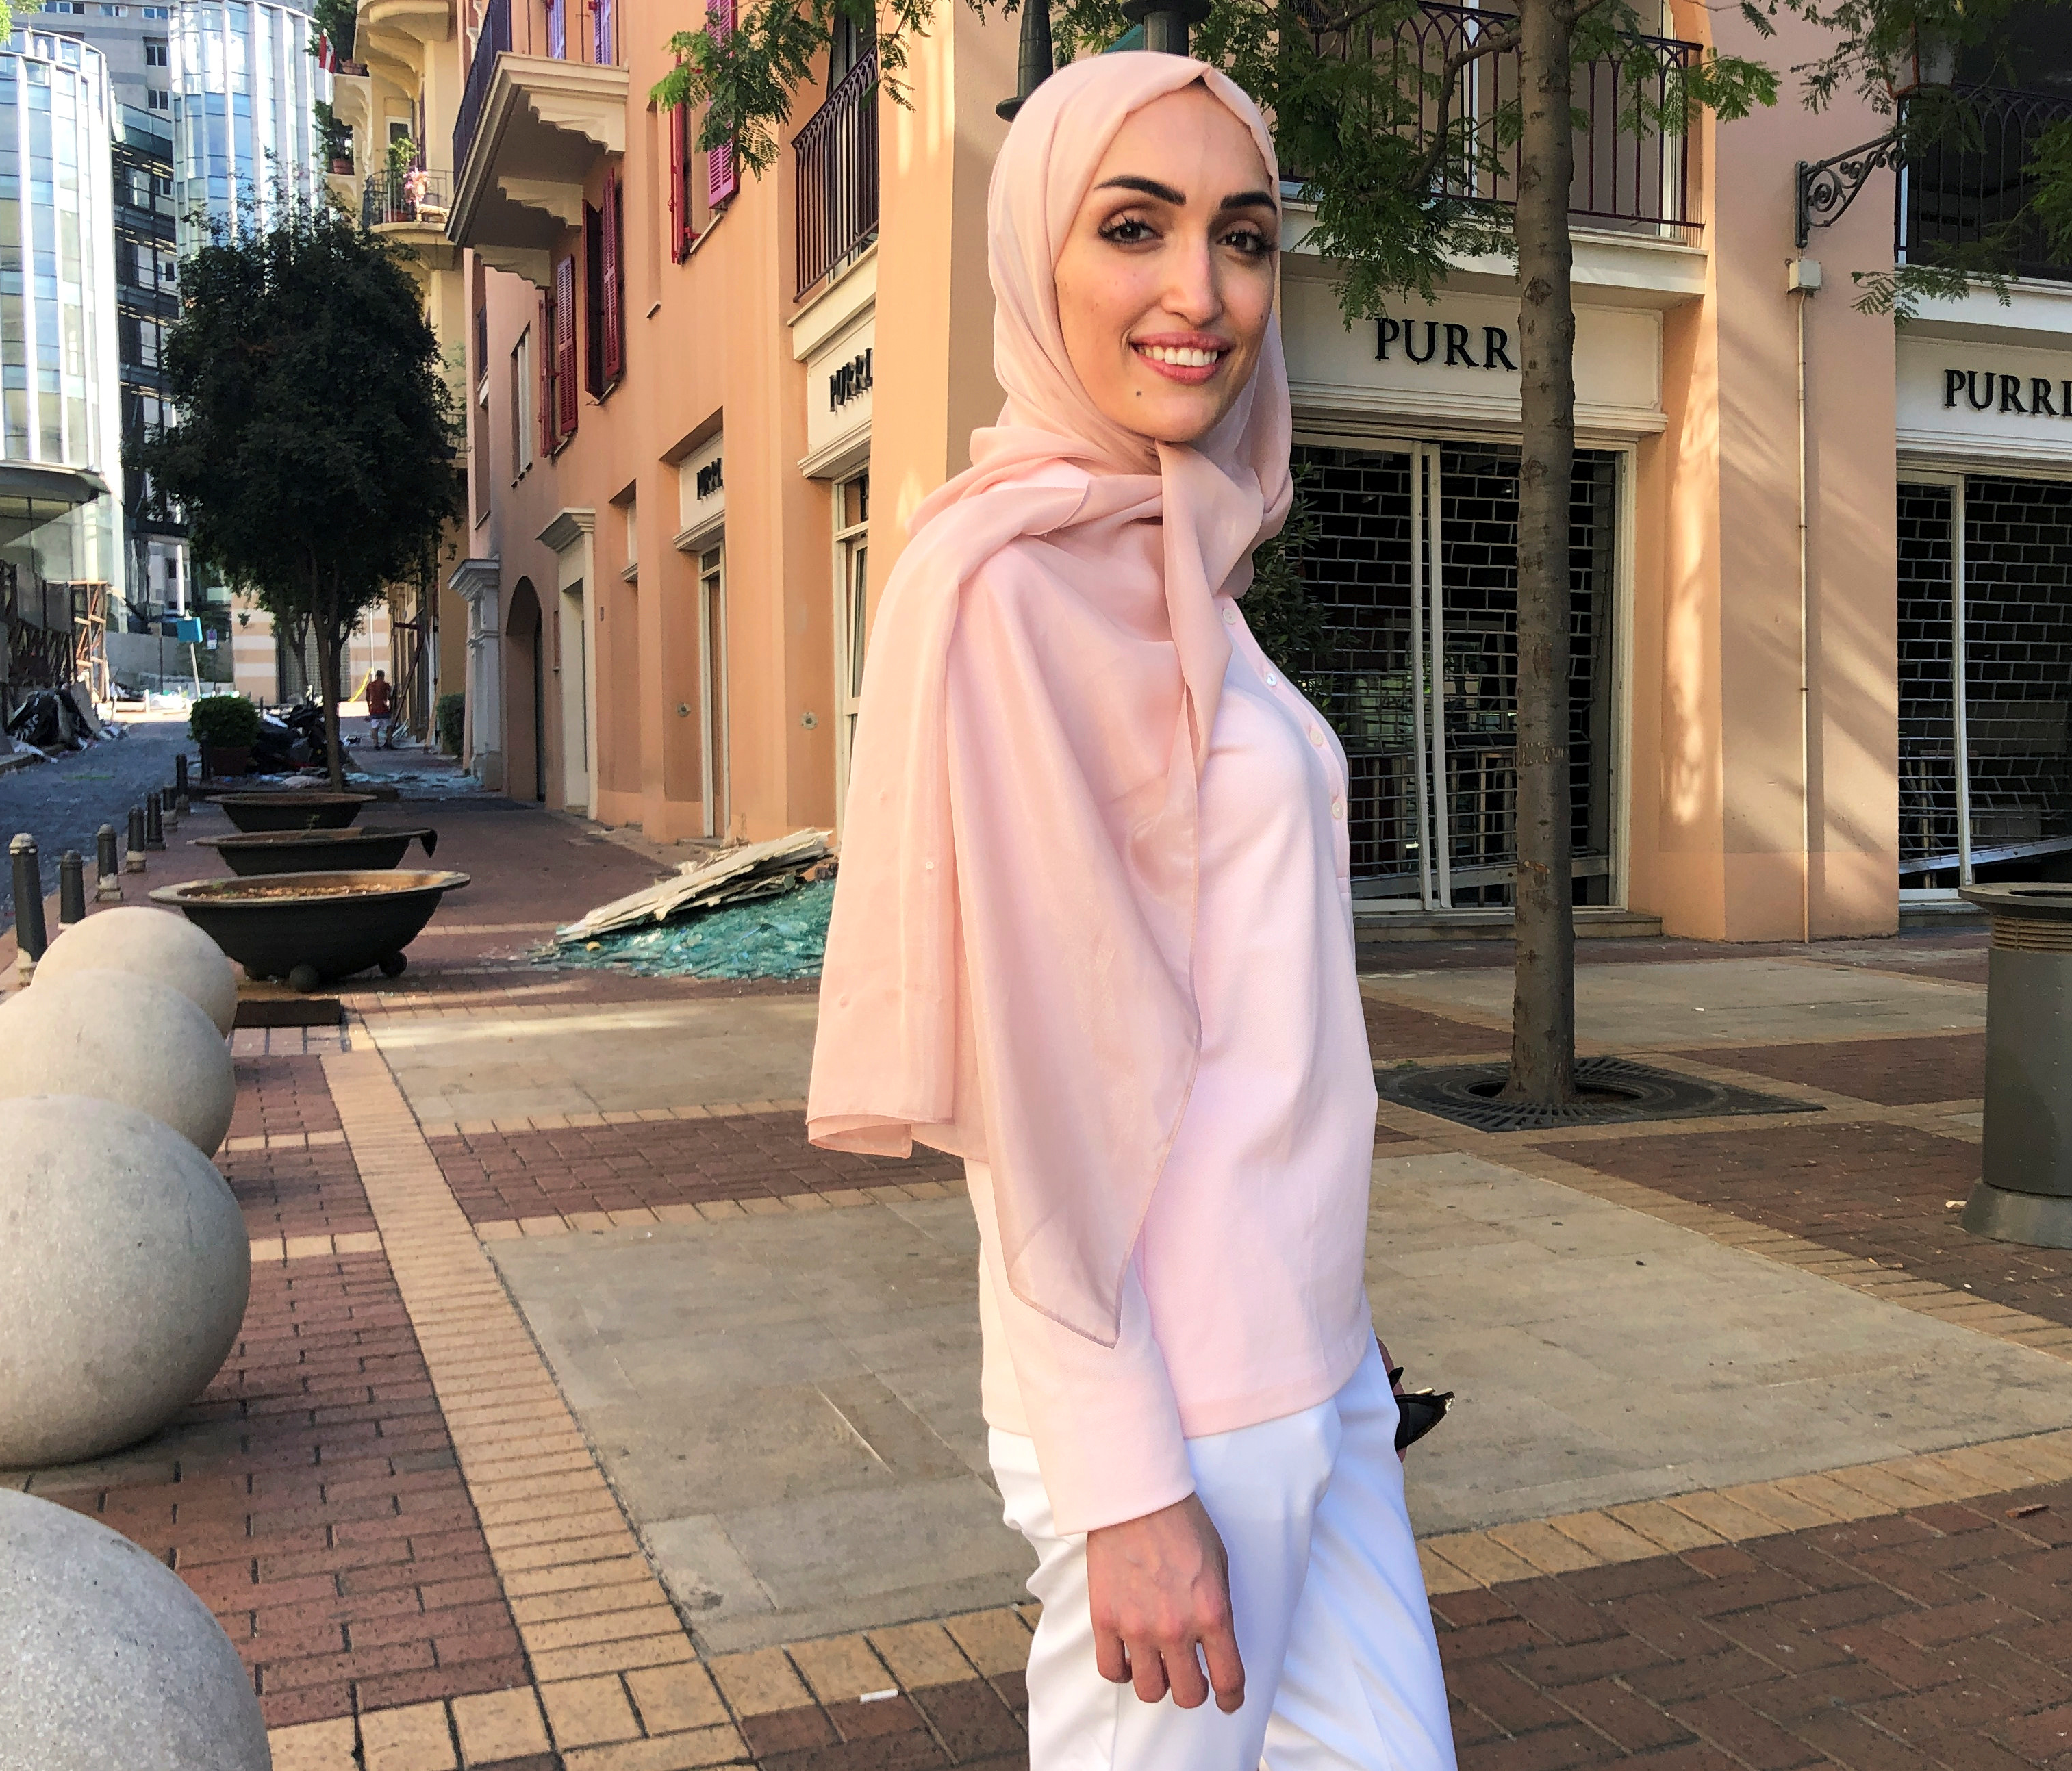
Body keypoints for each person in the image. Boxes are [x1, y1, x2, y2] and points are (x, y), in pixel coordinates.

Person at [807, 53, 1456, 1771]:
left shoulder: (1174, 556)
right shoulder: (1005, 585)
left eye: (1240, 236)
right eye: (1133, 227)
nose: (1201, 292)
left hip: (1310, 1354)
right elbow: (1035, 1089)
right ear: (1040, 257)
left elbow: (1245, 1018)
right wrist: (1124, 1483)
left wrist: (1345, 1339)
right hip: (1172, 1401)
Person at [362, 670, 394, 750]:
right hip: (383, 708)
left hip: (374, 708)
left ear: (376, 676)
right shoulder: (385, 685)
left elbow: (367, 697)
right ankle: (389, 743)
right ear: (383, 676)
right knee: (389, 726)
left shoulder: (370, 685)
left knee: (375, 727)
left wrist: (369, 706)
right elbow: (389, 696)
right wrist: (391, 706)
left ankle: (376, 744)